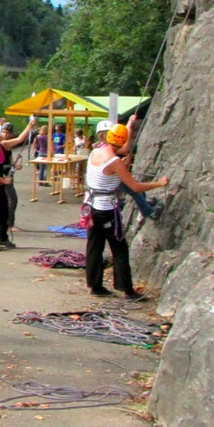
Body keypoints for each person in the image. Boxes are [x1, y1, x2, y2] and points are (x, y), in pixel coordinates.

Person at [84, 124, 169, 299]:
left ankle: (95, 285)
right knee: (119, 248)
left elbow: (112, 166)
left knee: (94, 246)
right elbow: (135, 187)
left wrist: (128, 128)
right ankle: (127, 290)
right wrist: (159, 183)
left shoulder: (95, 152)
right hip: (106, 209)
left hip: (90, 205)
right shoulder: (114, 162)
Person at [0, 118, 36, 233]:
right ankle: (9, 224)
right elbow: (20, 139)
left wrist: (15, 165)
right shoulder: (3, 143)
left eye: (7, 133)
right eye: (3, 132)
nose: (5, 134)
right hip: (3, 177)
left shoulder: (7, 146)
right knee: (12, 200)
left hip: (7, 175)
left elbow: (9, 160)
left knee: (6, 200)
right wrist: (30, 126)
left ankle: (5, 223)